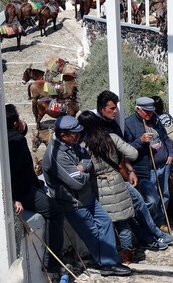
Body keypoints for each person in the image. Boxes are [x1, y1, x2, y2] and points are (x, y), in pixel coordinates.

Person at [77, 111, 173, 264]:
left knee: (109, 223)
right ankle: (128, 256)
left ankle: (112, 255)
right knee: (124, 221)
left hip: (98, 186)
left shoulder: (82, 147)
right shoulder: (112, 138)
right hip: (117, 181)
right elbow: (133, 153)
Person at [42, 115, 131, 277]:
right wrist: (83, 170)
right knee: (92, 234)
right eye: (75, 133)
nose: (79, 136)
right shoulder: (56, 155)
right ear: (63, 135)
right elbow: (76, 183)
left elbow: (86, 159)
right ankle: (108, 264)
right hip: (74, 203)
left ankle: (109, 261)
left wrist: (81, 167)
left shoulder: (73, 145)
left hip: (87, 198)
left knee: (105, 223)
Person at [6, 104, 65, 281]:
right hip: (23, 191)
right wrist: (14, 198)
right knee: (55, 212)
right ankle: (52, 264)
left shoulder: (9, 137)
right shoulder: (16, 140)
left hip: (23, 188)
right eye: (19, 118)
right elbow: (14, 171)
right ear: (15, 123)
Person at [124, 97, 173, 232]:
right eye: (147, 112)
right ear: (138, 109)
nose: (150, 114)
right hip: (146, 168)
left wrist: (170, 153)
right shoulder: (128, 124)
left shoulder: (155, 119)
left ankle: (160, 221)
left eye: (152, 112)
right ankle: (150, 223)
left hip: (164, 165)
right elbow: (126, 150)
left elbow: (165, 137)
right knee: (152, 200)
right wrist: (140, 141)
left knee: (165, 195)